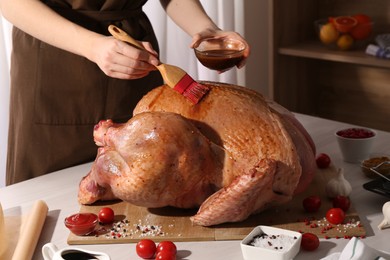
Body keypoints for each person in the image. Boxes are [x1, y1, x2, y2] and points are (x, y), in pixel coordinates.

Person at [0, 0, 250, 185]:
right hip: (55, 63)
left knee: (143, 183)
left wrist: (205, 29)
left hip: (134, 60)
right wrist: (92, 46)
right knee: (47, 203)